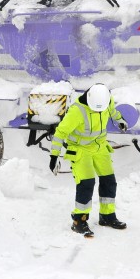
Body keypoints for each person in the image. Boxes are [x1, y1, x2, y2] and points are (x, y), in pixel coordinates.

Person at [49, 84, 128, 238]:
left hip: (100, 147)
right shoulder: (77, 111)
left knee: (109, 180)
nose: (99, 111)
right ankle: (79, 221)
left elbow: (112, 111)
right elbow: (60, 132)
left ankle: (107, 216)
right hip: (80, 149)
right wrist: (54, 156)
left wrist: (119, 120)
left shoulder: (106, 100)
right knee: (87, 183)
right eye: (96, 109)